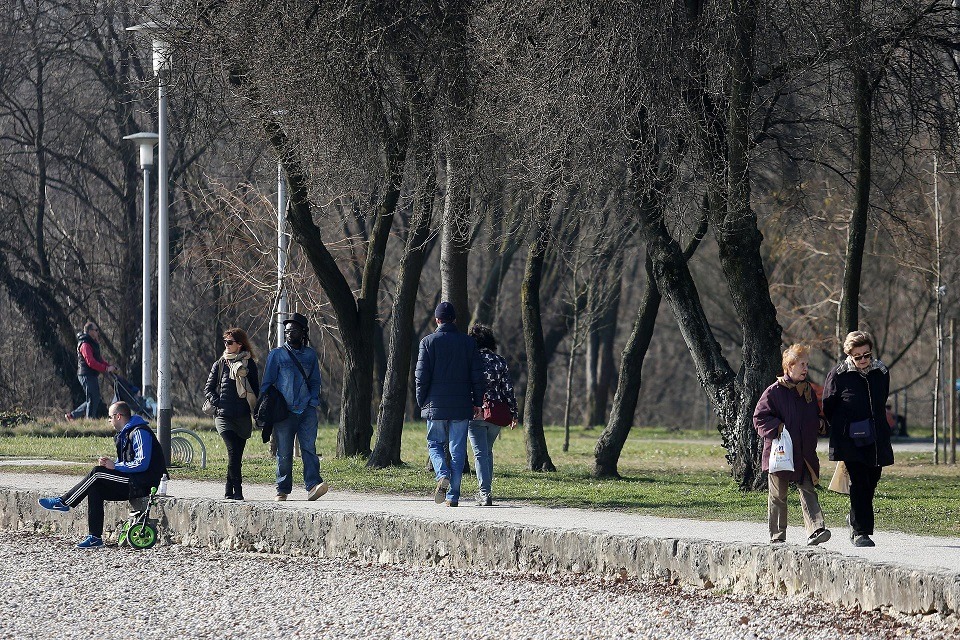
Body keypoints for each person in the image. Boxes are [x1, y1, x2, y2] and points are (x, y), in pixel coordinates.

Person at [39, 401, 167, 548]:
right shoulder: (124, 434)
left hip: (145, 483)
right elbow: (124, 462)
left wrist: (115, 466)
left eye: (110, 417)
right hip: (133, 481)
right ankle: (95, 538)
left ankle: (63, 502)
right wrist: (111, 466)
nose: (109, 420)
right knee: (96, 486)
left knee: (97, 473)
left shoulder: (138, 432)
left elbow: (142, 463)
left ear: (118, 416)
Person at [753, 344, 831, 546]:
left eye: (807, 364)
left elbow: (814, 415)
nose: (806, 368)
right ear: (789, 366)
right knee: (778, 496)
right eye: (802, 364)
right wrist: (777, 427)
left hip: (804, 453)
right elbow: (759, 418)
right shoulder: (774, 392)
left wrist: (820, 424)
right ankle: (777, 537)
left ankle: (816, 529)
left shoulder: (808, 391)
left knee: (808, 490)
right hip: (780, 454)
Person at [823, 330, 893, 548]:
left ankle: (854, 518)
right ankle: (861, 532)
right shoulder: (839, 374)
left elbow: (882, 400)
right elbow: (828, 406)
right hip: (850, 438)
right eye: (858, 356)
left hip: (875, 436)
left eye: (866, 355)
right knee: (860, 481)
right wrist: (845, 425)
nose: (863, 360)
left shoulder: (880, 371)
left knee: (872, 479)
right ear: (849, 355)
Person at [415, 301, 484, 507]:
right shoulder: (469, 343)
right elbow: (477, 376)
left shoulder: (427, 342)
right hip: (461, 405)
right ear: (454, 319)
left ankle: (441, 474)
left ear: (437, 320)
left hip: (434, 404)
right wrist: (478, 402)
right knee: (457, 449)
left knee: (434, 443)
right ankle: (453, 496)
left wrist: (422, 401)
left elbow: (421, 377)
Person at [260, 312, 327, 502]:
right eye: (287, 330)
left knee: (309, 448)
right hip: (284, 412)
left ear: (303, 332)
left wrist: (313, 401)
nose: (289, 333)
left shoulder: (310, 355)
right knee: (284, 452)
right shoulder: (277, 355)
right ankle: (282, 489)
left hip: (307, 410)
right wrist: (268, 407)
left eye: (294, 330)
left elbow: (315, 381)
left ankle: (313, 485)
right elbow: (267, 385)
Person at [467, 323, 519, 507]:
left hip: (475, 412)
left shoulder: (470, 360)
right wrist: (514, 412)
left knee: (480, 453)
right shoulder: (499, 361)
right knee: (487, 452)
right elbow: (508, 389)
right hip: (497, 412)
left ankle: (484, 493)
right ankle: (485, 490)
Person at [204, 327, 259, 500]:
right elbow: (208, 389)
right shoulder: (220, 364)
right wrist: (218, 402)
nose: (226, 345)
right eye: (225, 342)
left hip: (242, 417)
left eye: (230, 342)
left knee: (236, 455)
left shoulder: (250, 365)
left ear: (240, 345)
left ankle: (228, 489)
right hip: (223, 416)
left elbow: (256, 390)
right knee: (233, 450)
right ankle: (238, 491)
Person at [66, 321, 117, 420]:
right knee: (92, 398)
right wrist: (106, 369)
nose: (98, 332)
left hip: (92, 375)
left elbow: (99, 360)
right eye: (96, 330)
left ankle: (72, 415)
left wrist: (110, 366)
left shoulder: (93, 343)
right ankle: (89, 420)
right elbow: (91, 362)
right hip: (85, 375)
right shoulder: (85, 344)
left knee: (95, 398)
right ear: (90, 331)